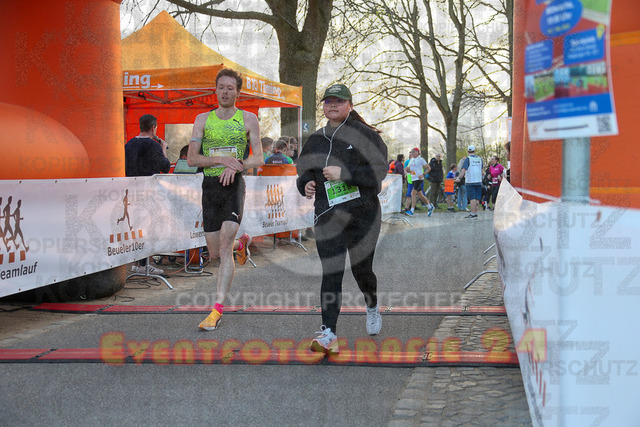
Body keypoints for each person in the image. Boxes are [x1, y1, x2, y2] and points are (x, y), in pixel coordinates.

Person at [296, 83, 388, 354]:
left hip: (363, 213)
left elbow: (379, 172)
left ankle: (372, 305)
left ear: (350, 105)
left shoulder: (365, 135)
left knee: (362, 271)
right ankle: (329, 334)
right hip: (328, 215)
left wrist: (344, 173)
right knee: (331, 272)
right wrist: (305, 184)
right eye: (328, 101)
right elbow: (304, 170)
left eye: (339, 101)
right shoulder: (316, 139)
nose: (333, 105)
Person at [187, 68, 263, 331]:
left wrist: (237, 165)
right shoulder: (202, 119)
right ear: (215, 90)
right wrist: (223, 160)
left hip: (234, 186)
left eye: (231, 88)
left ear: (238, 92)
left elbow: (259, 157)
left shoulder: (248, 119)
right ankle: (242, 245)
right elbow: (192, 159)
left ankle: (216, 310)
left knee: (224, 244)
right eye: (221, 87)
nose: (225, 92)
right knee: (215, 252)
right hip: (210, 187)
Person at [124, 114, 171, 274]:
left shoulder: (129, 144)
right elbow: (165, 167)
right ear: (153, 128)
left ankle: (137, 263)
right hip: (148, 193)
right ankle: (144, 265)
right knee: (147, 228)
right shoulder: (153, 145)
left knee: (136, 227)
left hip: (131, 192)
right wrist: (163, 148)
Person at [404, 147, 434, 217]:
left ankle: (412, 211)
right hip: (413, 179)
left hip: (419, 179)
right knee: (420, 195)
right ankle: (430, 207)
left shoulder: (421, 159)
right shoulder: (411, 160)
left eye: (414, 152)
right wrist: (406, 172)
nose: (412, 153)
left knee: (413, 193)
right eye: (412, 152)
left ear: (418, 152)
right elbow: (408, 169)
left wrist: (423, 174)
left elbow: (428, 168)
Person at [456, 145, 484, 219]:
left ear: (468, 151)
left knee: (472, 197)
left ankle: (473, 213)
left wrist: (459, 178)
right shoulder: (479, 159)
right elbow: (482, 171)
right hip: (478, 180)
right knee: (477, 198)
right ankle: (476, 212)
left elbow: (463, 169)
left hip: (470, 180)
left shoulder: (468, 159)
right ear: (475, 151)